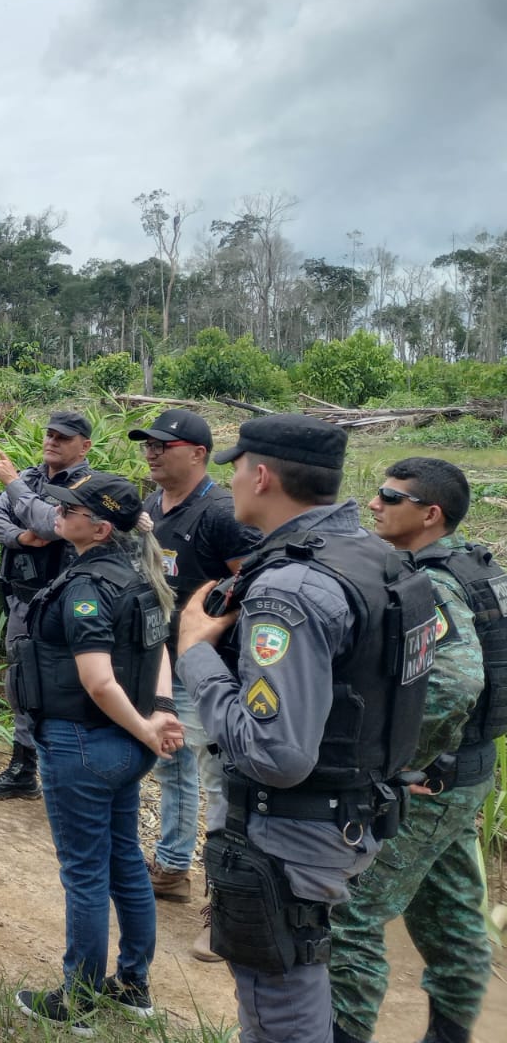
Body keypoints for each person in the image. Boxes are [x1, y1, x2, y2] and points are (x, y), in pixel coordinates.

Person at [175, 414, 436, 1043]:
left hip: (290, 825)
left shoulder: (290, 589)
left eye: (236, 467)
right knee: (301, 978)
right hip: (353, 807)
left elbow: (277, 752)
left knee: (278, 1005)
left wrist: (194, 652)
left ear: (261, 476)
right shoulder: (378, 558)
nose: (230, 479)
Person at [9, 471, 184, 1032]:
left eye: (71, 509)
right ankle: (133, 984)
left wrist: (146, 725)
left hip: (83, 744)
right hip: (123, 748)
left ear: (101, 527)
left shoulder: (89, 586)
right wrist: (158, 715)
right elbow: (159, 651)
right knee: (125, 861)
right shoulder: (141, 571)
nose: (59, 512)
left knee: (85, 874)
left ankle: (78, 1000)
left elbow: (99, 682)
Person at [331, 458, 493, 1043]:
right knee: (451, 919)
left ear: (430, 514)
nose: (372, 504)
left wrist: (403, 762)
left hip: (431, 783)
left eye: (388, 497)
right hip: (466, 774)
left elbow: (456, 682)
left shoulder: (434, 582)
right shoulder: (478, 566)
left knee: (348, 916)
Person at [128, 409, 260, 958]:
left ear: (199, 453)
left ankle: (227, 907)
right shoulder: (153, 507)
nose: (153, 452)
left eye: (165, 444)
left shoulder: (220, 512)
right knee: (172, 764)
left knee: (216, 782)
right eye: (148, 445)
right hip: (163, 661)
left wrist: (208, 631)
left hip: (210, 668)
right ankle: (174, 864)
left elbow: (254, 580)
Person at [0, 410, 94, 799]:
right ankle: (23, 770)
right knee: (22, 684)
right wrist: (20, 538)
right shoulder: (30, 478)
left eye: (63, 437)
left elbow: (51, 524)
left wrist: (13, 487)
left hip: (68, 607)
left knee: (68, 688)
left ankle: (69, 775)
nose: (52, 442)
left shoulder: (88, 487)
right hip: (23, 602)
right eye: (49, 434)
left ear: (85, 446)